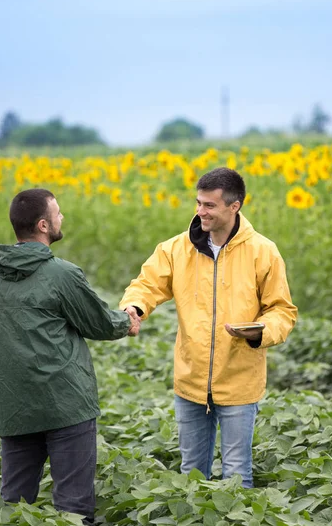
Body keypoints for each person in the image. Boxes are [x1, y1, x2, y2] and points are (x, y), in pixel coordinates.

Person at [0, 188, 140, 525]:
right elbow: (98, 323)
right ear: (43, 225)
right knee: (74, 510)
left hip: (14, 408)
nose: (62, 218)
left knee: (15, 506)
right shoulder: (62, 274)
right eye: (58, 214)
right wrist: (126, 322)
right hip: (66, 406)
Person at [120, 167, 297, 488]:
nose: (201, 211)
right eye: (199, 203)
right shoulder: (175, 249)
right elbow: (146, 285)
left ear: (235, 206)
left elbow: (282, 310)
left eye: (210, 206)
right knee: (191, 475)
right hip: (191, 381)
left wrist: (260, 332)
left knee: (236, 474)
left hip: (239, 383)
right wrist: (134, 308)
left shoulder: (263, 252)